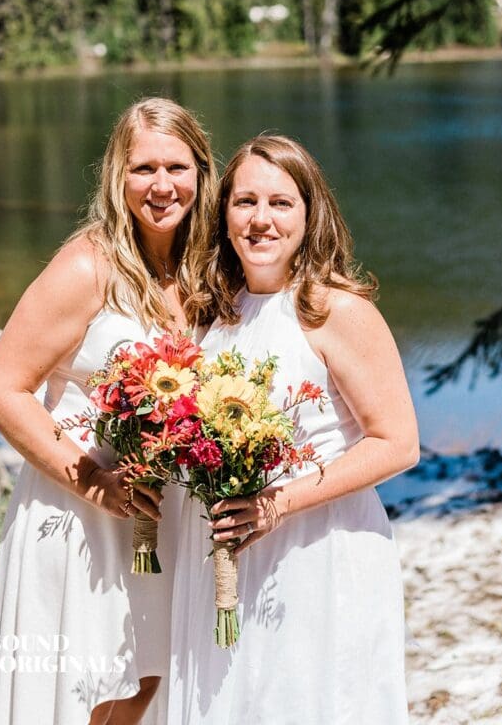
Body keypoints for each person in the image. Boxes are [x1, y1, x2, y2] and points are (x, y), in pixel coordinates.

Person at [0, 97, 216, 725]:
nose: (161, 186)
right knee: (85, 690)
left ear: (202, 171)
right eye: (143, 169)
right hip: (77, 512)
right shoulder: (88, 265)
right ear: (118, 176)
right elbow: (1, 387)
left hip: (162, 516)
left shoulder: (207, 270)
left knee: (147, 684)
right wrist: (95, 481)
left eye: (177, 167)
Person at [168, 135, 419, 725]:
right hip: (224, 555)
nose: (260, 220)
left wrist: (276, 504)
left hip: (319, 554)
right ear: (222, 213)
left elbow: (398, 442)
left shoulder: (335, 310)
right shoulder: (214, 314)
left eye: (281, 203)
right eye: (244, 202)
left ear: (310, 215)